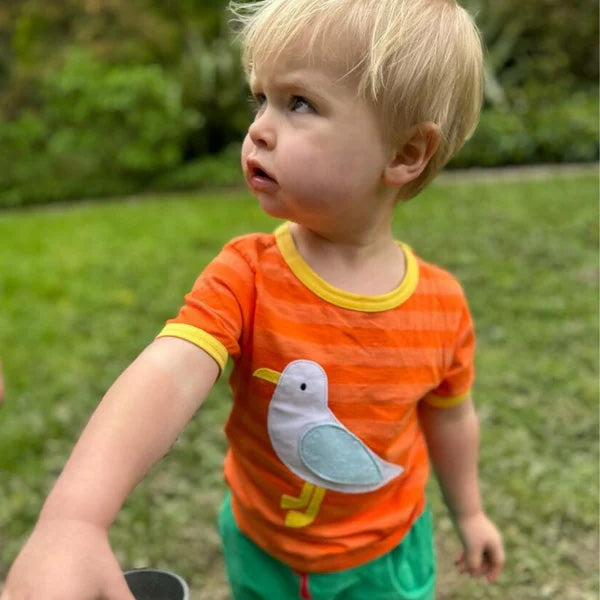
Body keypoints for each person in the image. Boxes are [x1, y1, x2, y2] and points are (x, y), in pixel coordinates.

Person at [1, 0, 504, 598]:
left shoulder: (442, 306)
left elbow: (450, 418)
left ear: (403, 154)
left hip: (385, 559)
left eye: (299, 103)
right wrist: (74, 518)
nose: (259, 128)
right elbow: (169, 372)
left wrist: (469, 513)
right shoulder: (247, 274)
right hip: (260, 544)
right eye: (259, 99)